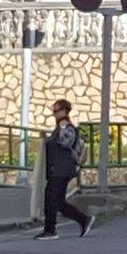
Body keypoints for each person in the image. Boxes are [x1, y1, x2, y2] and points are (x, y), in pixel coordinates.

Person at [35, 99, 95, 241]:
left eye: (56, 111)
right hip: (58, 169)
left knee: (51, 199)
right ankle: (83, 219)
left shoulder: (66, 127)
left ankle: (50, 229)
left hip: (61, 169)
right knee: (58, 201)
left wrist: (61, 129)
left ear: (64, 111)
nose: (54, 114)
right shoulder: (60, 127)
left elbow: (66, 142)